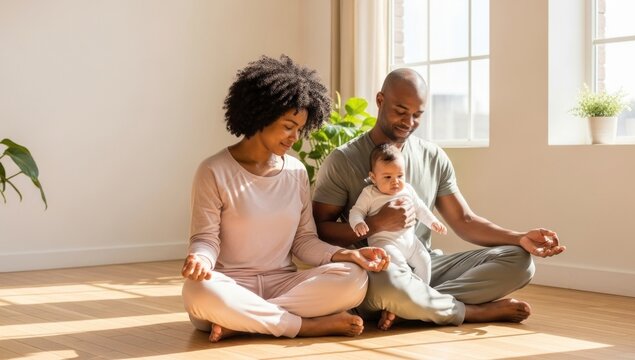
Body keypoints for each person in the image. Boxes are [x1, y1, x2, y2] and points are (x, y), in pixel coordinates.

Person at [312, 68, 566, 331]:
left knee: (520, 262)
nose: (408, 121)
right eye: (401, 111)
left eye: (417, 115)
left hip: (425, 265)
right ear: (380, 100)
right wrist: (376, 224)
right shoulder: (342, 160)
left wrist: (519, 238)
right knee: (389, 282)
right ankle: (467, 311)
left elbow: (464, 220)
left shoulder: (433, 157)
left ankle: (414, 305)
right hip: (377, 268)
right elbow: (319, 230)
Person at [181, 55, 390, 342]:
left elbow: (304, 240)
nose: (295, 137)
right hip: (231, 284)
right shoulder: (213, 170)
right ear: (261, 115)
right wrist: (200, 259)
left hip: (285, 284)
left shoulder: (295, 171)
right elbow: (206, 238)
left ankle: (245, 321)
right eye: (288, 126)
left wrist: (347, 254)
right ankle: (305, 326)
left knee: (353, 278)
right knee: (198, 292)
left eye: (300, 129)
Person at [349, 143, 447, 285]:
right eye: (388, 177)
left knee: (424, 260)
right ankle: (410, 288)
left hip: (410, 242)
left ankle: (424, 288)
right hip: (385, 243)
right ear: (373, 177)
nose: (395, 182)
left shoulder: (407, 190)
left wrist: (433, 222)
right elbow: (357, 211)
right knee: (399, 267)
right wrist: (358, 222)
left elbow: (420, 208)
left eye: (400, 176)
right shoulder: (370, 193)